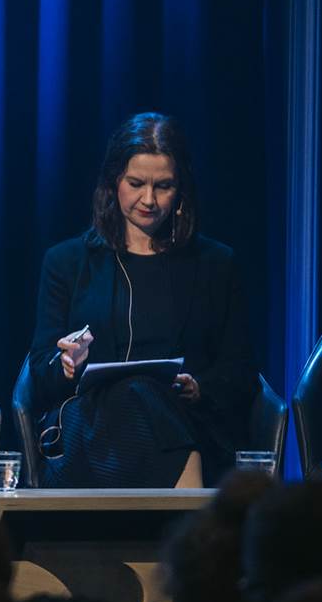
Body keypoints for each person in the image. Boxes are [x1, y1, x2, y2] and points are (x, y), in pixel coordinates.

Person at [28, 112, 254, 488]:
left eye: (163, 186)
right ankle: (186, 528)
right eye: (136, 184)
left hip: (185, 417)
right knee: (133, 394)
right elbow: (39, 369)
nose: (148, 200)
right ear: (113, 181)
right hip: (89, 422)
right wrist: (67, 365)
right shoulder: (66, 262)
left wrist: (201, 387)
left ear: (181, 189)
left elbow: (241, 370)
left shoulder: (216, 264)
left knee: (147, 396)